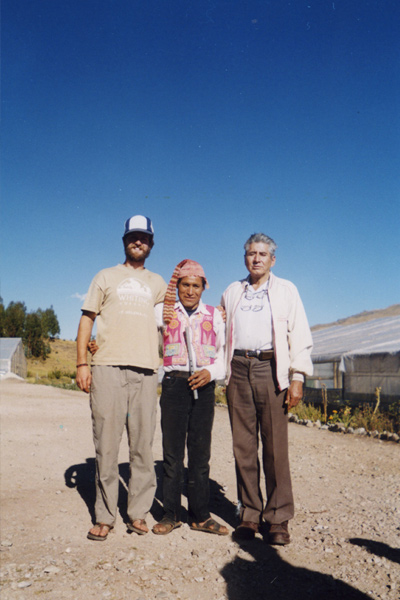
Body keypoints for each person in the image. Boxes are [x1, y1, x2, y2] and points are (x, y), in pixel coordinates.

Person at [76, 215, 167, 541]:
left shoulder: (158, 283)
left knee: (142, 446)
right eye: (133, 237)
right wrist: (82, 363)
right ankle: (104, 517)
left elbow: (168, 326)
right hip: (107, 368)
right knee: (106, 445)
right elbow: (87, 320)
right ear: (125, 240)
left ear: (151, 243)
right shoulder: (105, 276)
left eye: (144, 237)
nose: (138, 241)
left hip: (146, 371)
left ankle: (137, 513)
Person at [220, 233, 313, 545]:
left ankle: (278, 518)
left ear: (273, 259)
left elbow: (299, 334)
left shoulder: (286, 290)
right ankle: (249, 514)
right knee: (243, 446)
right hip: (237, 367)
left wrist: (297, 377)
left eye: (262, 254)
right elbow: (219, 330)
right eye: (251, 253)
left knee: (275, 447)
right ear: (244, 258)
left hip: (270, 368)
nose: (256, 258)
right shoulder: (232, 291)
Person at [152, 260, 228, 536]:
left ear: (204, 287)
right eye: (185, 284)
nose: (190, 291)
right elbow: (146, 339)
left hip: (204, 386)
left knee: (200, 453)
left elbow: (223, 355)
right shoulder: (162, 312)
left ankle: (200, 515)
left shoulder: (214, 315)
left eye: (196, 285)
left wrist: (210, 373)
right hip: (174, 384)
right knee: (172, 454)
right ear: (177, 286)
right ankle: (170, 514)